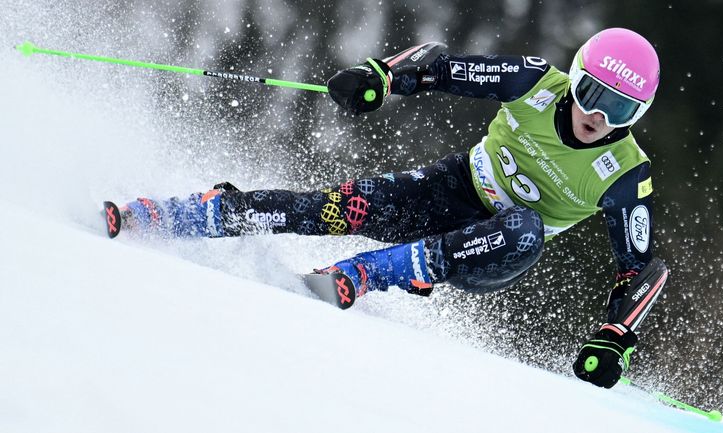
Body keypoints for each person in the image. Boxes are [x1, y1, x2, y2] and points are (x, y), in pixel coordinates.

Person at [115, 28, 665, 389]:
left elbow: (640, 268)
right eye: (593, 95)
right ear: (574, 76)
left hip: (494, 250)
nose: (599, 117)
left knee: (525, 227)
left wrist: (616, 336)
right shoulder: (534, 82)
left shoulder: (625, 173)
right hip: (451, 187)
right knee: (341, 207)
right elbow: (441, 67)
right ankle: (198, 213)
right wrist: (381, 76)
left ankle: (371, 273)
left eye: (622, 110)